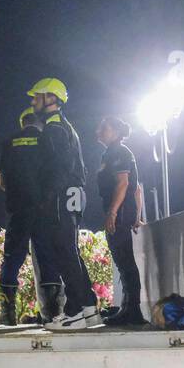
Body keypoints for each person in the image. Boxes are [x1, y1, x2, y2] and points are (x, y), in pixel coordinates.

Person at [30, 78, 99, 329]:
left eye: (37, 97)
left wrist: (46, 197)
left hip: (61, 195)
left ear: (51, 99)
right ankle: (89, 307)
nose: (33, 101)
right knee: (71, 252)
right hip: (71, 193)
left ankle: (76, 312)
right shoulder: (63, 126)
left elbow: (58, 167)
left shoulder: (54, 128)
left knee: (64, 252)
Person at [0, 107, 62, 324]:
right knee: (46, 256)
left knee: (12, 258)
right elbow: (55, 174)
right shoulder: (46, 139)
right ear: (37, 123)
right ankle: (52, 313)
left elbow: (2, 181)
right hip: (43, 209)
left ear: (22, 122)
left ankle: (8, 313)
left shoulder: (8, 142)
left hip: (18, 209)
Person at [94, 116, 148, 326]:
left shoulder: (119, 152)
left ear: (115, 132)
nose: (99, 132)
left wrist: (113, 213)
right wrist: (137, 216)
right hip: (125, 212)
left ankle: (132, 309)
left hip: (119, 211)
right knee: (124, 262)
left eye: (103, 129)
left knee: (125, 262)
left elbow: (123, 183)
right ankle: (128, 307)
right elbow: (137, 188)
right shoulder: (113, 152)